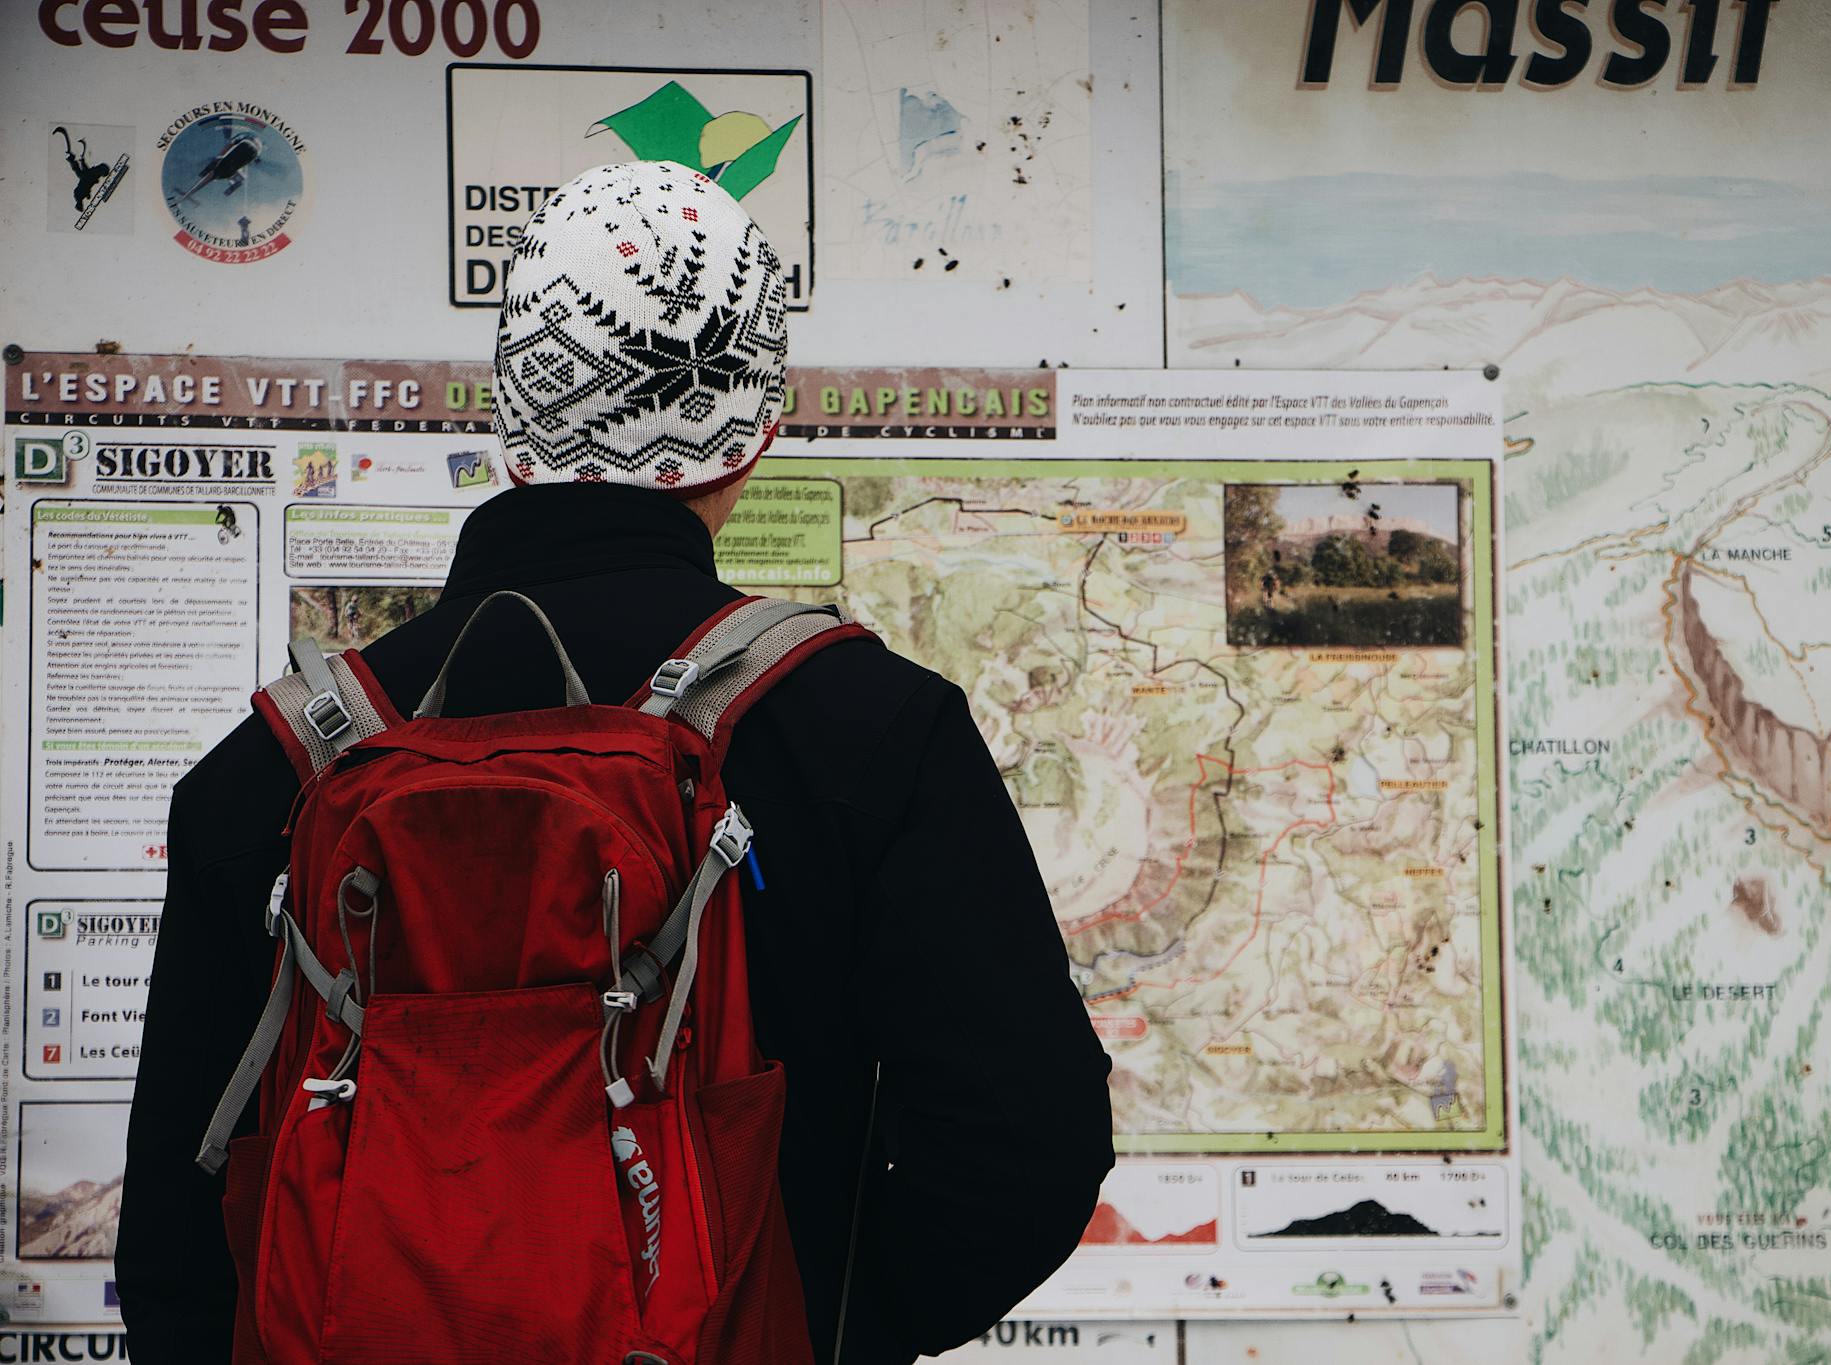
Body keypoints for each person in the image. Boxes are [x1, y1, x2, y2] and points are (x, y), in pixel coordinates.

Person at [116, 163, 1114, 1363]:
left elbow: (181, 1233)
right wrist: (819, 1325)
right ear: (758, 433)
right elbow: (1026, 1143)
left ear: (510, 420)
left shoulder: (268, 771)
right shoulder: (872, 729)